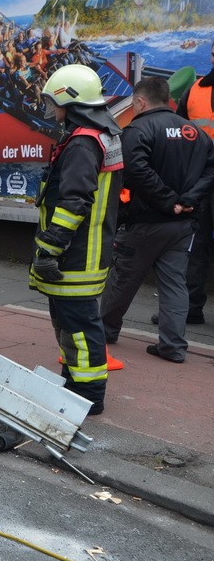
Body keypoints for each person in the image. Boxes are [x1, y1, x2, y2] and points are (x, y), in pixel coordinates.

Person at [101, 77, 214, 363]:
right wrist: (188, 200)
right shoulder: (195, 132)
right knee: (175, 284)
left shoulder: (138, 129)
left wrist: (169, 201)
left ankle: (104, 331)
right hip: (183, 225)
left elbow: (136, 170)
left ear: (140, 102)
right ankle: (173, 346)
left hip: (146, 222)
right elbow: (210, 171)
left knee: (123, 278)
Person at [31, 64, 123, 415]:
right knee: (74, 325)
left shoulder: (83, 143)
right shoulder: (101, 134)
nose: (52, 111)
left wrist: (49, 249)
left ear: (70, 101)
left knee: (80, 328)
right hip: (89, 249)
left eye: (54, 103)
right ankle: (76, 382)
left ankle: (88, 394)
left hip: (75, 255)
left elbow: (74, 202)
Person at [178, 40, 214, 324]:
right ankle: (190, 308)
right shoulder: (195, 89)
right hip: (200, 180)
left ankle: (190, 308)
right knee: (195, 244)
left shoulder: (195, 90)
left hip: (199, 178)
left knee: (196, 245)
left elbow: (176, 132)